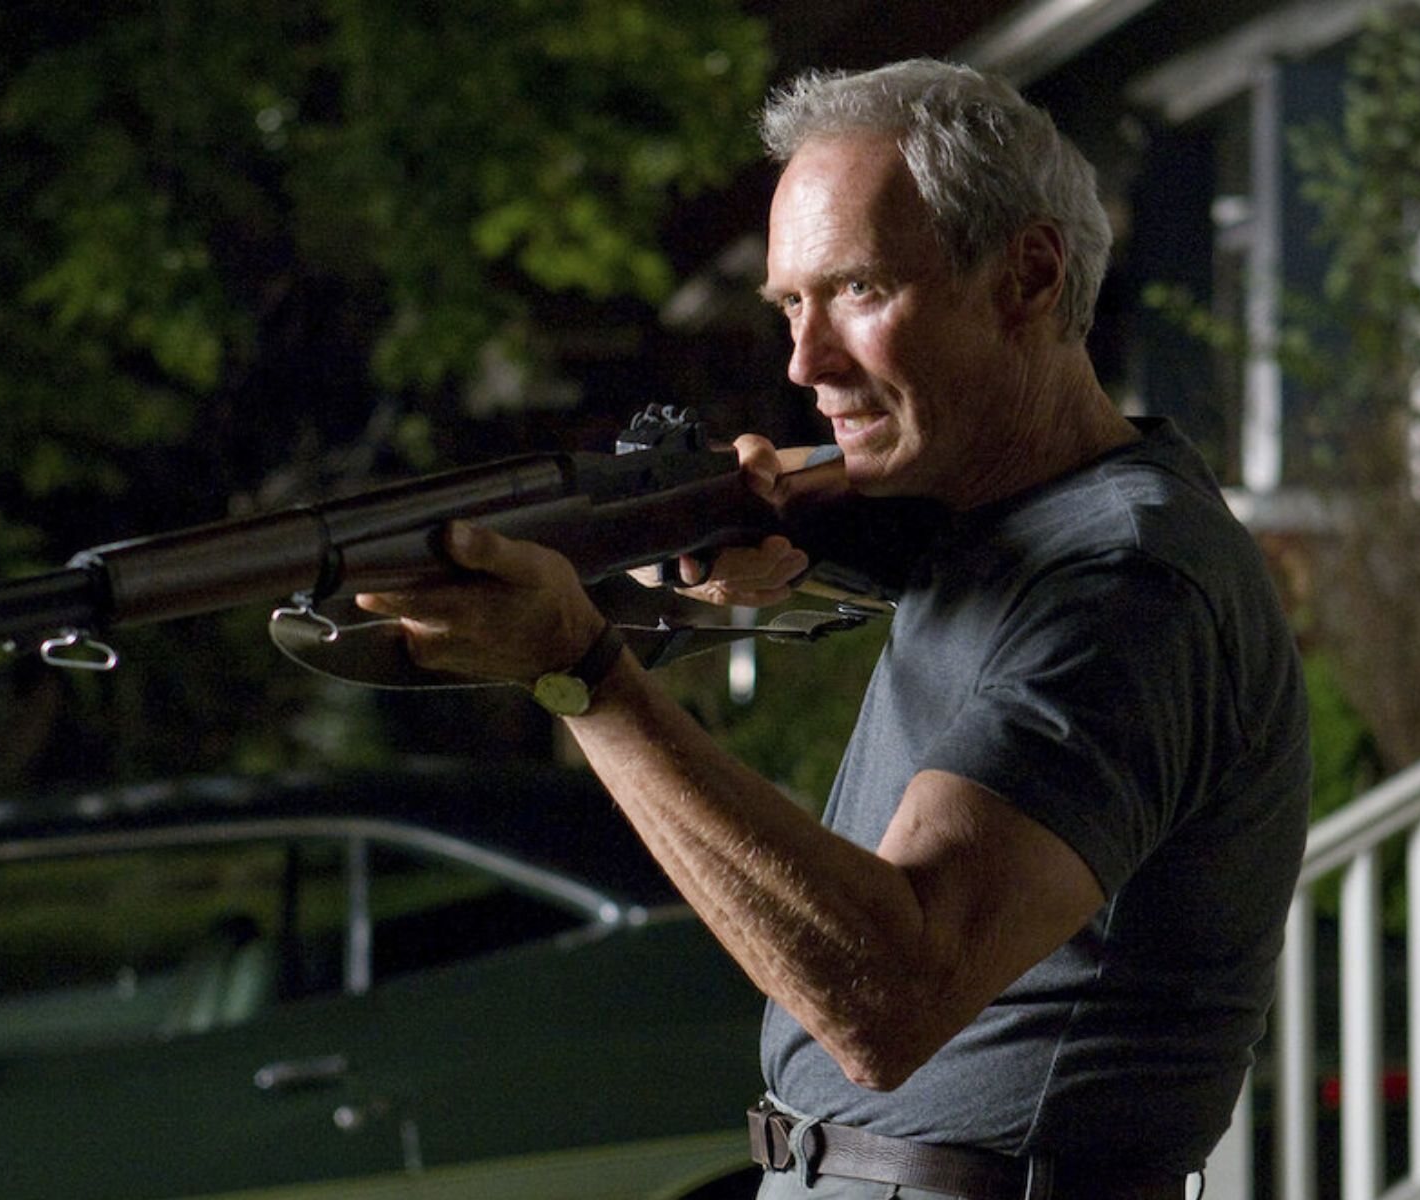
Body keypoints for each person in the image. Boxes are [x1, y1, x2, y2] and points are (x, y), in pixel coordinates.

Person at [356, 59, 1310, 1200]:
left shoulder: (1124, 581)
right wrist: (698, 558)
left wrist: (583, 675)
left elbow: (883, 998)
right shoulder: (980, 523)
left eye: (857, 290)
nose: (805, 365)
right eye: (790, 306)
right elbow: (839, 541)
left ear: (1028, 276)